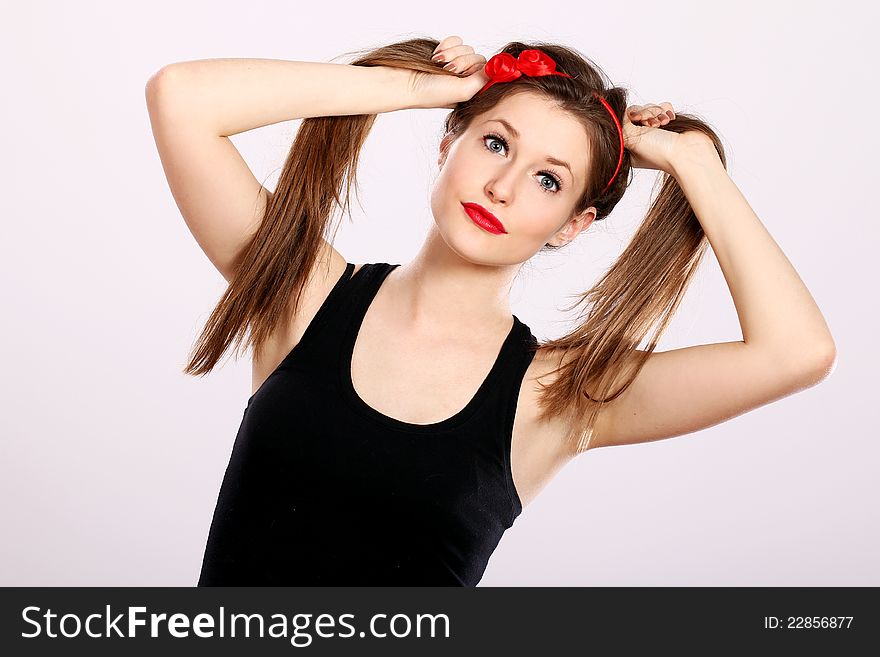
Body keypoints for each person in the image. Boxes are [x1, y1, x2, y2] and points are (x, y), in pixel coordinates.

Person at [145, 36, 836, 586]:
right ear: (449, 147)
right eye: (495, 141)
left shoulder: (555, 397)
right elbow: (180, 98)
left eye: (548, 179)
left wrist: (693, 163)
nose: (503, 185)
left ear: (572, 223)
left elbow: (796, 352)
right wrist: (427, 87)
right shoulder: (302, 295)